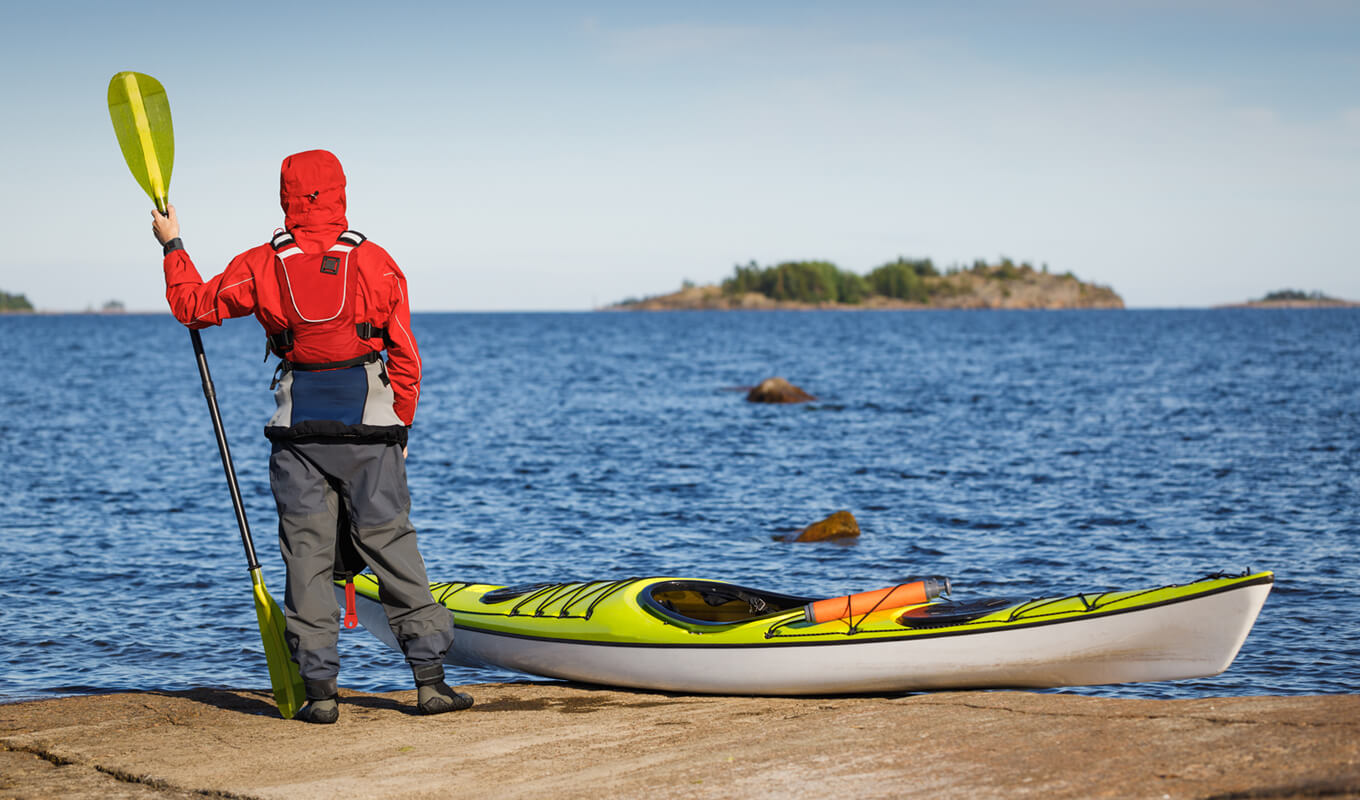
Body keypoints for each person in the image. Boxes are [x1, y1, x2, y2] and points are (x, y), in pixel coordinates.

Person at [153, 149, 471, 723]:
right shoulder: (375, 261)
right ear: (341, 193)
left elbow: (191, 306)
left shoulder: (260, 264)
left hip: (296, 437)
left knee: (307, 558)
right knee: (393, 549)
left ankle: (321, 696)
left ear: (287, 197)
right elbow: (405, 356)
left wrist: (173, 245)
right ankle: (429, 684)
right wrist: (402, 427)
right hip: (371, 435)